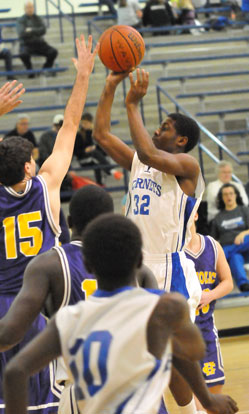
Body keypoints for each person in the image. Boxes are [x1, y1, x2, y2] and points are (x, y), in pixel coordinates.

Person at [3, 213, 239, 414]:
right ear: (139, 261)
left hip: (78, 399)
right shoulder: (165, 308)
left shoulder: (67, 319)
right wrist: (208, 399)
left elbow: (15, 371)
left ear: (89, 265)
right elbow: (192, 351)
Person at [93, 69, 206, 414]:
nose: (158, 130)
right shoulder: (140, 164)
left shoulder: (187, 166)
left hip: (169, 268)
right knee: (141, 357)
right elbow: (100, 134)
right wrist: (110, 87)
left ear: (182, 140)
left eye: (166, 127)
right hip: (134, 269)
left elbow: (150, 152)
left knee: (171, 356)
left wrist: (133, 105)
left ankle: (192, 412)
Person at [0, 34, 98, 414]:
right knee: (43, 406)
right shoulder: (47, 185)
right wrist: (83, 75)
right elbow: (71, 125)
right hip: (37, 308)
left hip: (1, 305)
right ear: (29, 167)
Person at [185, 212, 233, 411]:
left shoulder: (212, 245)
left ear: (196, 215)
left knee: (215, 387)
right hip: (183, 333)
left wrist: (209, 295)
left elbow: (228, 282)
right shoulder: (172, 251)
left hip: (205, 328)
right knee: (190, 392)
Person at [210, 183, 249, 292]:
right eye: (225, 194)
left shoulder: (244, 210)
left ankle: (224, 254)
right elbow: (213, 240)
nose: (229, 196)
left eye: (231, 193)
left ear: (236, 195)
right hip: (233, 250)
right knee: (235, 257)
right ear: (222, 198)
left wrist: (243, 233)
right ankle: (244, 284)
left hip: (246, 246)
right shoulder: (218, 217)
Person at [74, 112, 123, 186]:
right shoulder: (79, 135)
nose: (84, 125)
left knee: (98, 162)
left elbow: (102, 148)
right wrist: (85, 150)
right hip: (83, 159)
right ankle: (111, 170)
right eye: (83, 123)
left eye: (86, 123)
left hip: (94, 157)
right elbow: (76, 152)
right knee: (95, 155)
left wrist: (95, 147)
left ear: (91, 123)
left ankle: (100, 184)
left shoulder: (94, 133)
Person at [16, 1, 58, 78]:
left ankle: (45, 70)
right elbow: (21, 33)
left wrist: (30, 30)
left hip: (40, 44)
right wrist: (36, 31)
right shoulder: (21, 20)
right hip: (27, 44)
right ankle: (30, 71)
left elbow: (43, 30)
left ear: (33, 8)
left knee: (53, 52)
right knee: (23, 54)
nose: (30, 9)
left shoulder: (38, 18)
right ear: (24, 9)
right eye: (28, 7)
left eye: (31, 7)